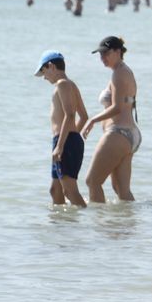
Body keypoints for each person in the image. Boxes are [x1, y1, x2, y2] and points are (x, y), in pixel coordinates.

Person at [81, 36, 140, 204]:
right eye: (100, 55)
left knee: (92, 181)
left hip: (118, 133)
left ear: (118, 51)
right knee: (121, 190)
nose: (102, 58)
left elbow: (117, 107)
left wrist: (92, 120)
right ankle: (125, 228)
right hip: (129, 134)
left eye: (106, 53)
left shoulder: (119, 74)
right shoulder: (123, 71)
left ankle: (99, 226)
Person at [36, 51, 88, 206]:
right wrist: (72, 137)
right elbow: (84, 117)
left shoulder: (62, 84)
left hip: (64, 142)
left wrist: (62, 145)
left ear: (51, 66)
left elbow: (70, 115)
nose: (45, 77)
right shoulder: (71, 85)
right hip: (66, 140)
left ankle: (86, 223)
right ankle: (62, 227)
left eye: (44, 72)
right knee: (55, 190)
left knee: (70, 191)